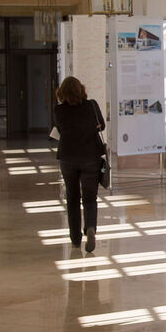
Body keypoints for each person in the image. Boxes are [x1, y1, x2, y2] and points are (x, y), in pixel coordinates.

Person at [52, 76, 106, 252]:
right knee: (90, 198)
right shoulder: (91, 105)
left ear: (62, 93)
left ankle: (75, 238)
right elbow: (102, 126)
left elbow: (59, 129)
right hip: (91, 157)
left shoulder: (59, 111)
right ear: (81, 89)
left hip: (68, 158)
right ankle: (90, 227)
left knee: (72, 197)